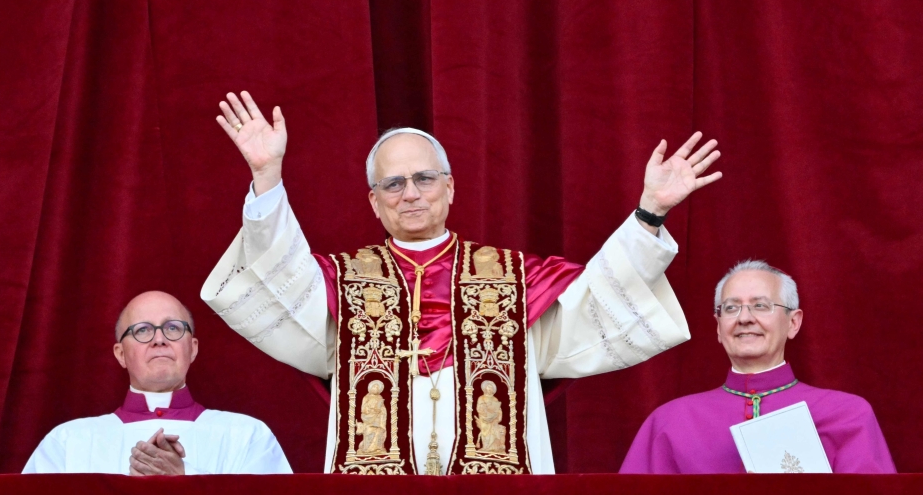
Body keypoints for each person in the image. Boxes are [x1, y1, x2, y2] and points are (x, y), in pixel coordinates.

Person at [202, 91, 723, 475]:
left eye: (424, 178)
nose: (411, 194)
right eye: (393, 183)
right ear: (374, 202)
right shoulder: (342, 283)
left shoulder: (515, 280)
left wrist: (649, 212)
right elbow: (279, 279)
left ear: (450, 188)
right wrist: (267, 178)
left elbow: (597, 304)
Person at [620, 260, 896, 474]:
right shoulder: (670, 422)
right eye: (731, 308)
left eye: (761, 306)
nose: (744, 318)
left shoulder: (847, 415)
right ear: (718, 328)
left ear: (793, 322)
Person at [23, 291, 291, 475]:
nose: (159, 339)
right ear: (120, 354)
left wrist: (185, 479)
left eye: (173, 328)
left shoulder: (248, 435)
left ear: (193, 349)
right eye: (142, 330)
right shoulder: (68, 441)